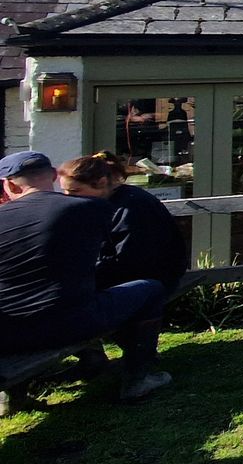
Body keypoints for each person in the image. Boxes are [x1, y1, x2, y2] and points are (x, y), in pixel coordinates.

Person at [0, 151, 172, 400]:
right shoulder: (90, 208)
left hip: (7, 333)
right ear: (53, 175)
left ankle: (13, 398)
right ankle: (138, 378)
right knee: (152, 289)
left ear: (10, 184)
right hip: (71, 325)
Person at [59, 153, 188, 291]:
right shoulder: (100, 205)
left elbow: (128, 262)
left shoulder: (133, 207)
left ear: (102, 183)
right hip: (122, 278)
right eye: (64, 191)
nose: (68, 197)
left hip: (147, 284)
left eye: (74, 191)